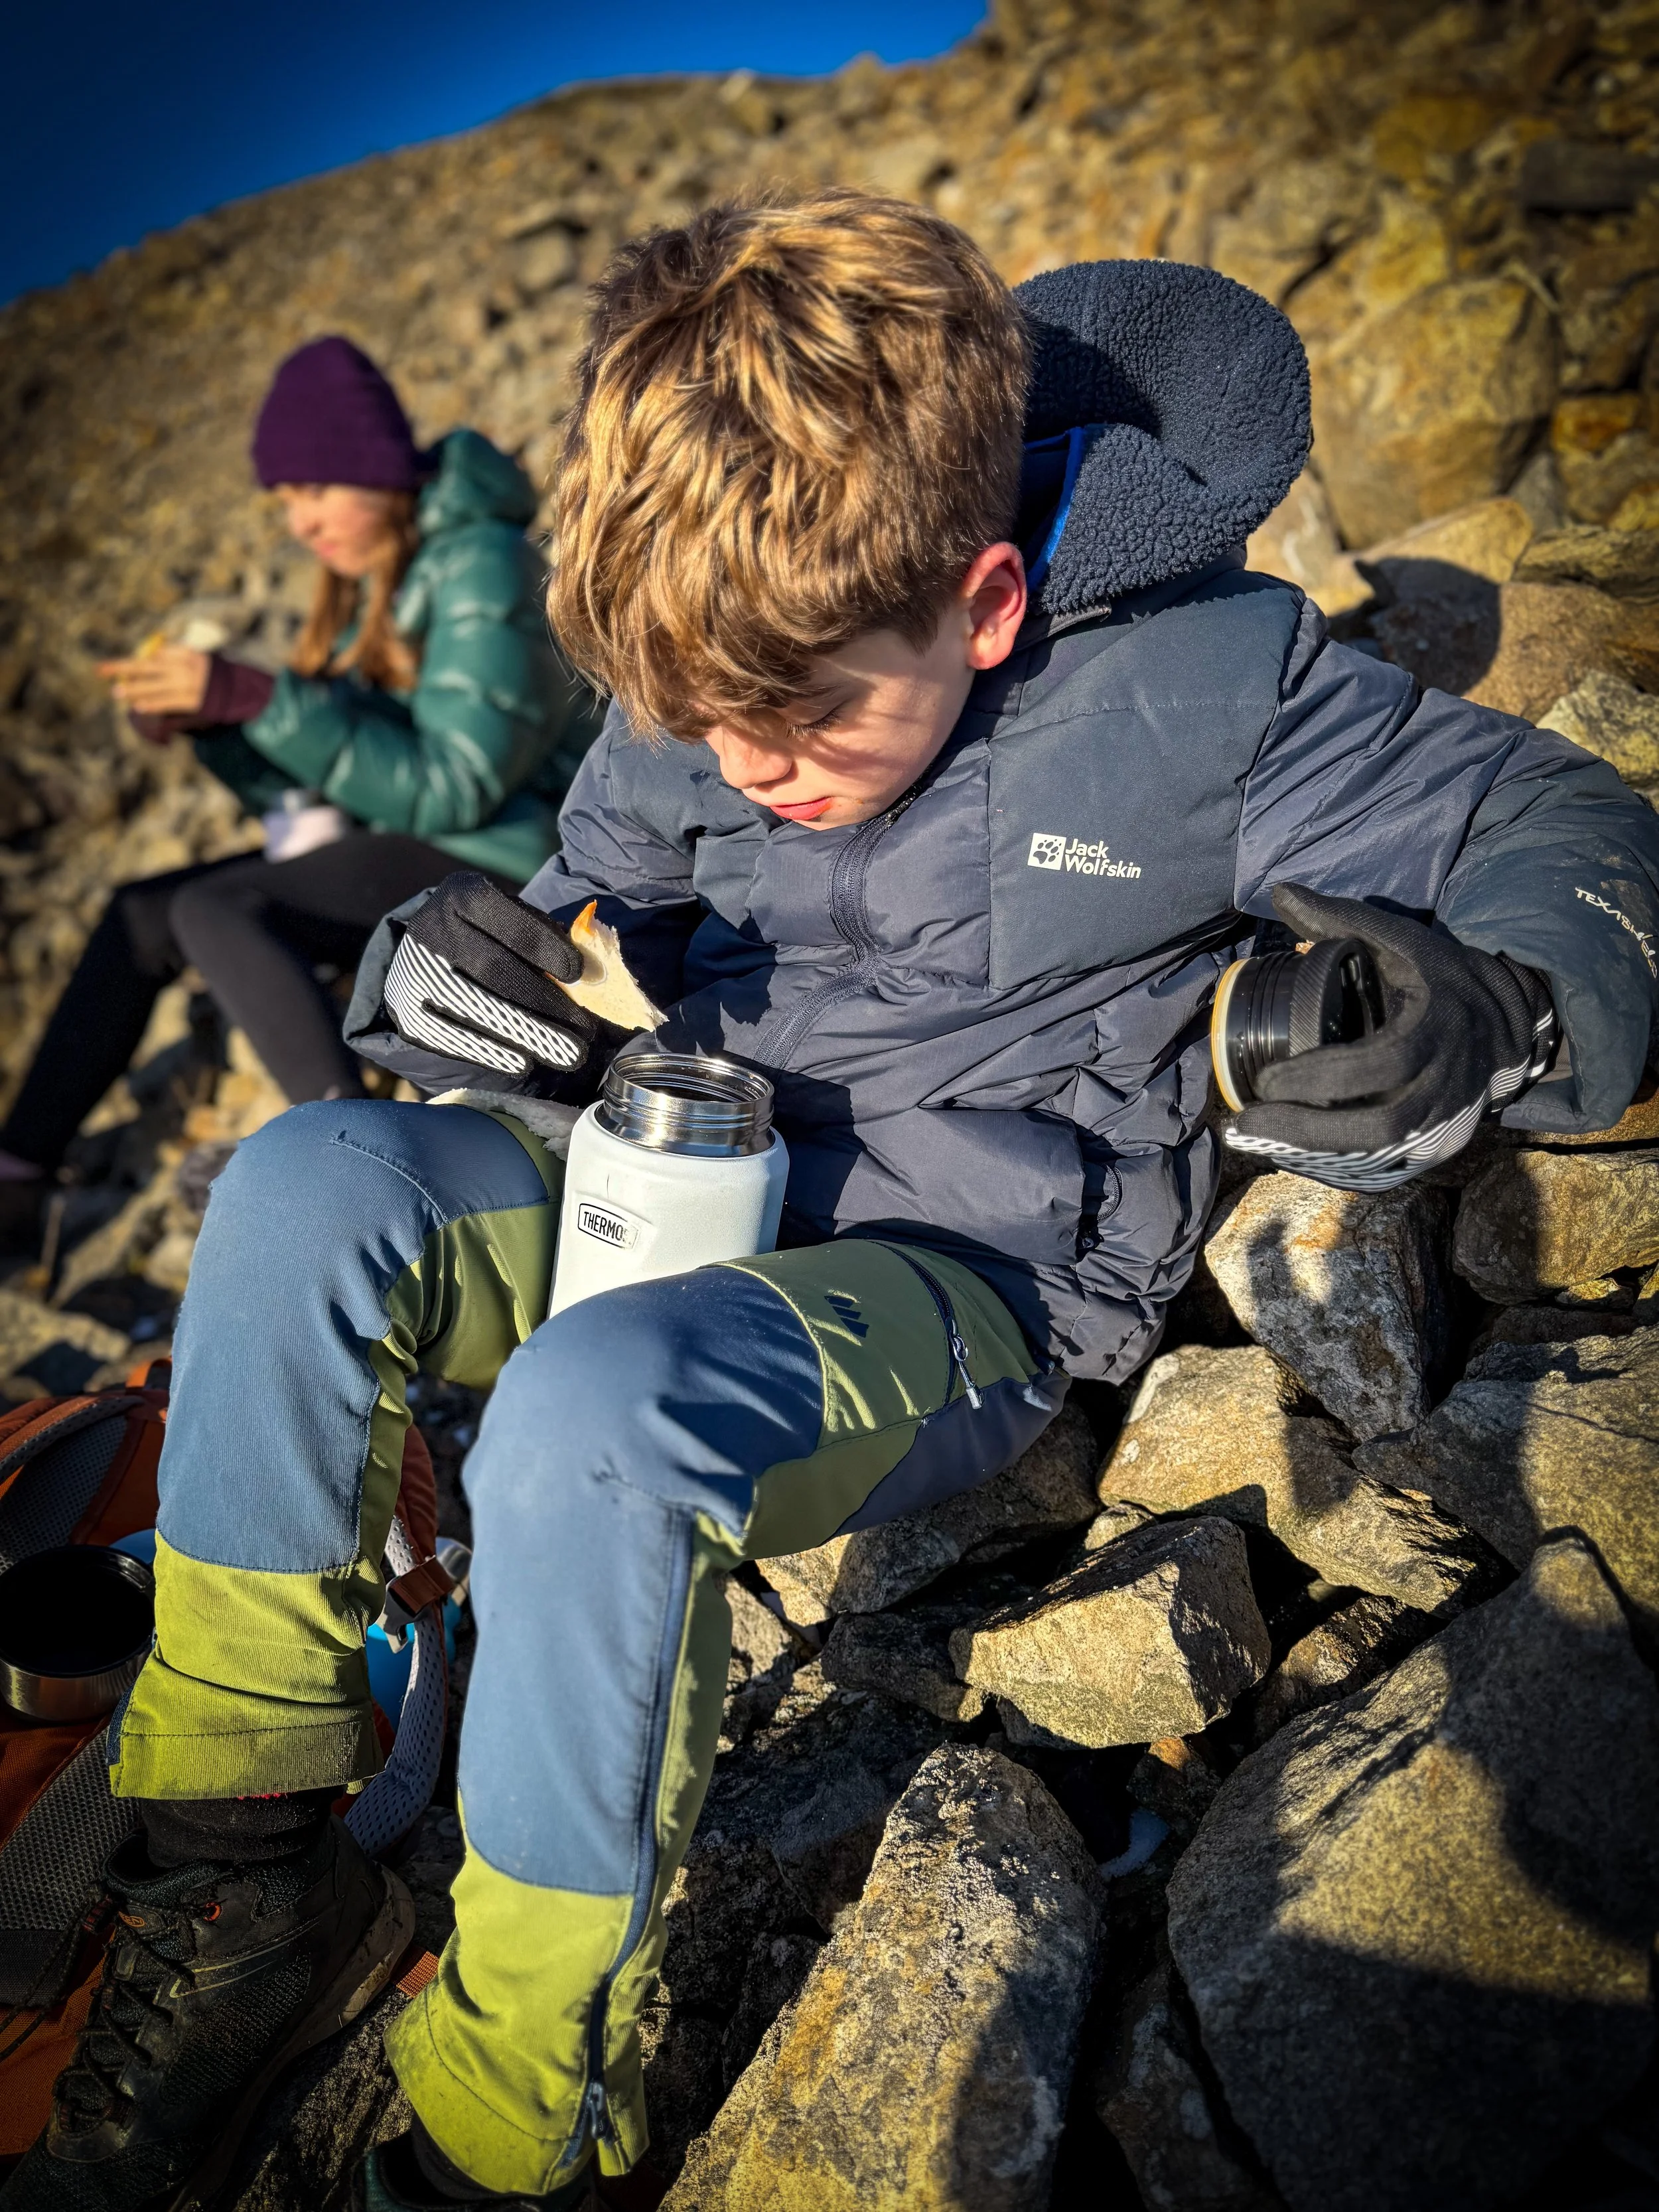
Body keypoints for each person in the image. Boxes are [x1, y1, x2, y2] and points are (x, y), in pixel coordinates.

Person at [8, 192, 1657, 2212]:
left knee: (588, 1427)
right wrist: (449, 972)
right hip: (667, 1180)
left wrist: (1485, 1006)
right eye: (697, 712)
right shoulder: (717, 658)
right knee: (304, 1182)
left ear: (976, 602)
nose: (738, 758)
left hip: (953, 1274)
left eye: (798, 719)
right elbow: (568, 895)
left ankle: (504, 2118)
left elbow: (1553, 821)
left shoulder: (1203, 699)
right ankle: (236, 1876)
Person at [0, 336, 602, 1250]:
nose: (297, 519)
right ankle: (18, 1167)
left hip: (509, 859)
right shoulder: (378, 590)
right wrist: (224, 728)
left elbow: (456, 783)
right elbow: (331, 782)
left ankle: (354, 1165)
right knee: (143, 912)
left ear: (378, 471)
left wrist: (266, 699)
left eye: (314, 487)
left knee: (220, 906)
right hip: (417, 839)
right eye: (284, 499)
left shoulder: (484, 563)